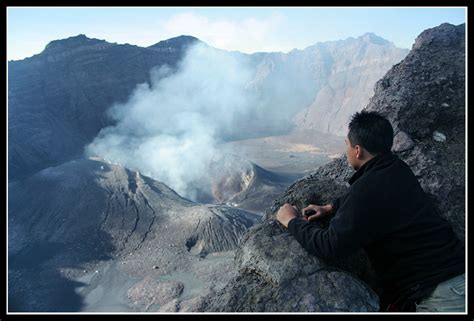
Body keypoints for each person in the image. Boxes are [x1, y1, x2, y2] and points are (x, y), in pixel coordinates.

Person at [276, 111, 465, 312]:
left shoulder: (365, 190)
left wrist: (291, 221)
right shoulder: (397, 167)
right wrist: (331, 207)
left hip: (442, 295)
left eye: (347, 145)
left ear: (357, 150)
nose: (346, 150)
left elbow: (330, 246)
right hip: (455, 277)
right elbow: (372, 199)